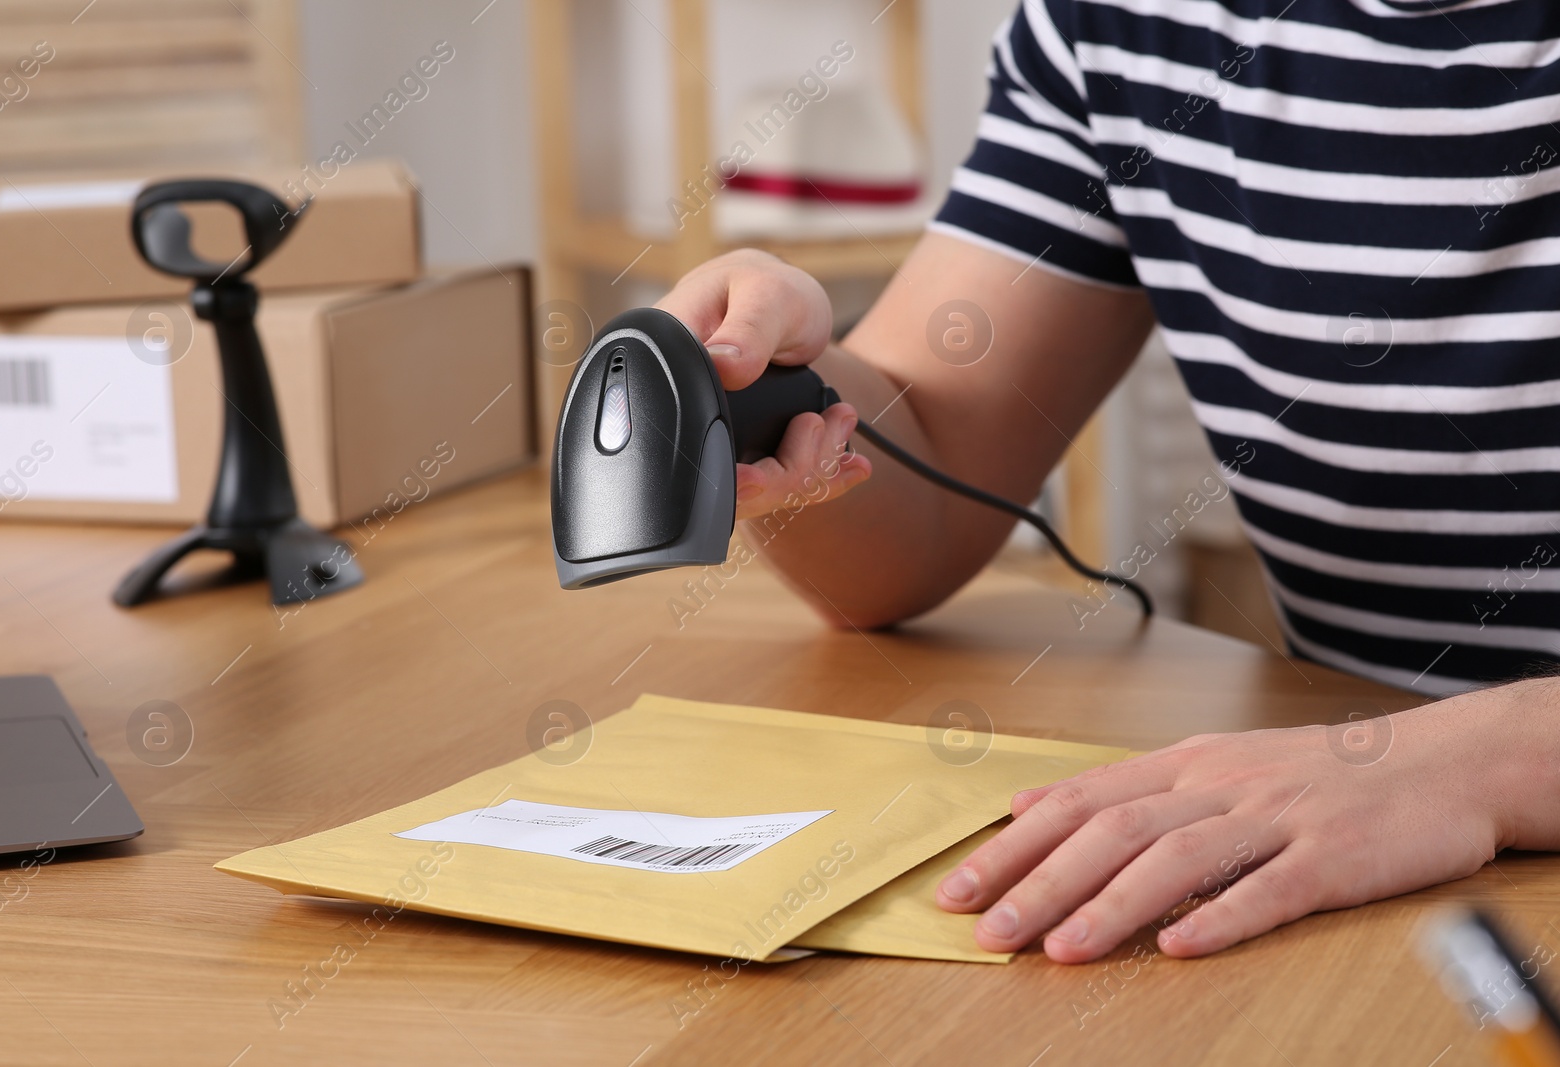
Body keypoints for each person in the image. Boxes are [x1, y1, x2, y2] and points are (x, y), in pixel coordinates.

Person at [655, 0, 1560, 963]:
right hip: (1351, 853)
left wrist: (1471, 763)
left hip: (1405, 811)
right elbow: (920, 510)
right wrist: (777, 384)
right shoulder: (1119, 24)